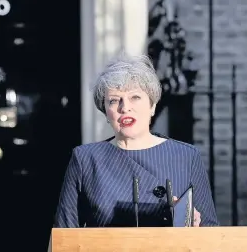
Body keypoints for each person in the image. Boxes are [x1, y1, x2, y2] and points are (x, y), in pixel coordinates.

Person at [54, 53, 219, 228]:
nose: (125, 108)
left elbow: (210, 232)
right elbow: (63, 235)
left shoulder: (187, 156)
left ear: (152, 106)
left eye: (135, 97)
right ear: (106, 113)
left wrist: (194, 225)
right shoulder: (85, 159)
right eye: (114, 100)